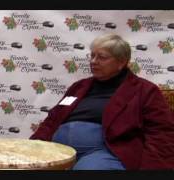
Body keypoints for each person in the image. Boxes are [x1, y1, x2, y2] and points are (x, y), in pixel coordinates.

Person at [30, 33, 174, 170]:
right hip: (57, 150)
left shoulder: (145, 90)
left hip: (104, 151)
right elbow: (53, 118)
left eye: (102, 57)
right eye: (92, 56)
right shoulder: (79, 86)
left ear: (121, 62)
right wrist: (34, 144)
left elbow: (161, 133)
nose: (93, 61)